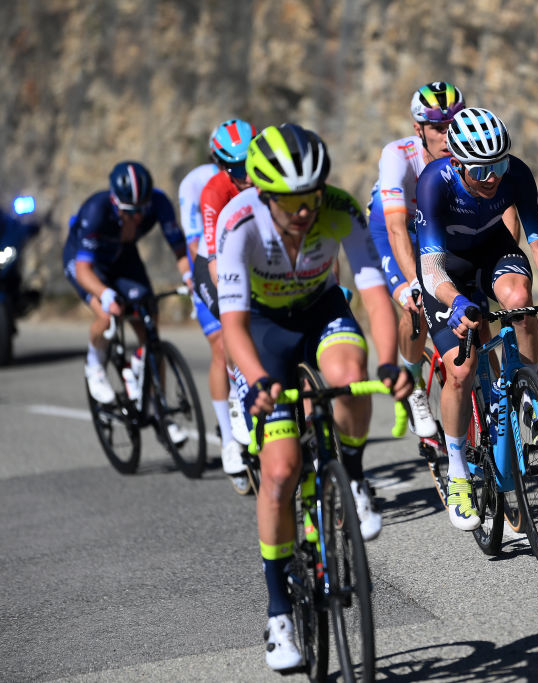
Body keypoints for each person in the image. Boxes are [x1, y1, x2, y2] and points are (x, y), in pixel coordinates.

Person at [216, 123, 412, 671]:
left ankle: (352, 472)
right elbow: (231, 325)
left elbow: (374, 295)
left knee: (350, 371)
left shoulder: (341, 209)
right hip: (262, 329)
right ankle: (280, 615)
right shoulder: (238, 223)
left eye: (312, 197)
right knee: (279, 471)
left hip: (324, 309)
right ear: (264, 194)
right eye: (292, 202)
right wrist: (256, 381)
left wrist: (392, 362)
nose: (305, 211)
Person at [415, 107, 538, 531]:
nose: (492, 177)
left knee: (521, 299)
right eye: (480, 168)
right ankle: (458, 473)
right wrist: (456, 303)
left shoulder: (516, 174)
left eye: (499, 165)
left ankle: (529, 402)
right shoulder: (435, 182)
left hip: (493, 251)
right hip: (446, 269)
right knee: (462, 368)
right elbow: (432, 268)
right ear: (456, 162)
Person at [64, 161, 193, 445]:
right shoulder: (96, 211)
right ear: (114, 201)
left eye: (141, 211)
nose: (136, 219)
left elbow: (179, 248)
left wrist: (190, 278)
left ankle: (160, 413)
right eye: (129, 212)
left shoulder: (158, 203)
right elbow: (84, 270)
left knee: (150, 327)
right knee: (109, 316)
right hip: (86, 263)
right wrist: (105, 294)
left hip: (122, 257)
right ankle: (95, 365)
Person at [366, 81, 465, 439]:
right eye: (439, 128)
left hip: (434, 228)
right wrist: (417, 284)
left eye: (455, 125)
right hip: (395, 231)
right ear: (419, 130)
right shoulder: (398, 156)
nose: (448, 136)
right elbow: (394, 228)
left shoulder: (468, 150)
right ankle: (414, 383)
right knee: (416, 304)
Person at [178, 120, 256, 491]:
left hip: (253, 256)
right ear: (221, 165)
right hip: (212, 265)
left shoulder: (266, 172)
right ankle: (229, 434)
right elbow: (205, 252)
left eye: (250, 163)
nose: (246, 176)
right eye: (236, 169)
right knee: (227, 342)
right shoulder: (209, 189)